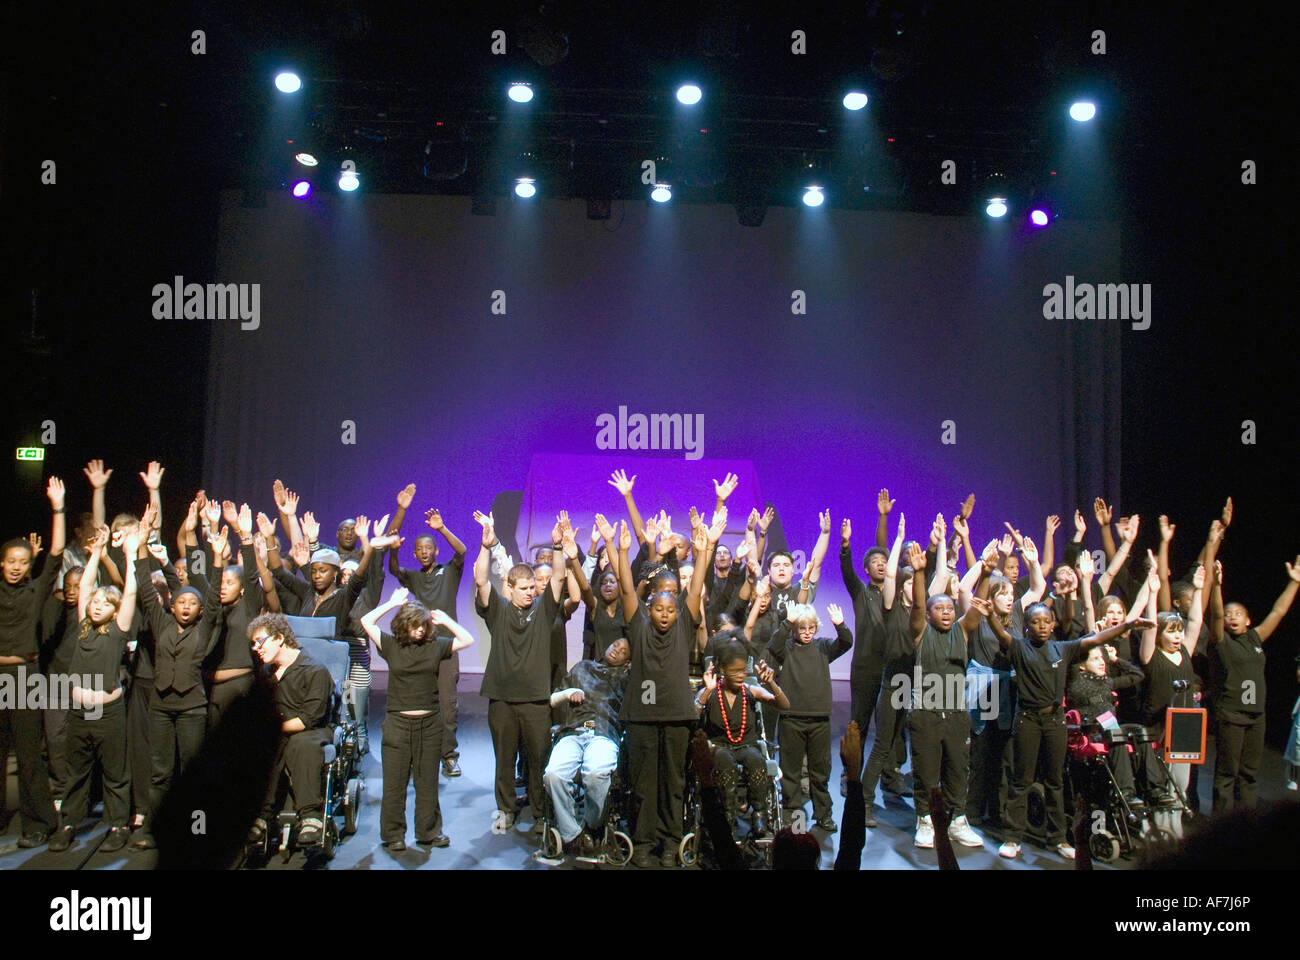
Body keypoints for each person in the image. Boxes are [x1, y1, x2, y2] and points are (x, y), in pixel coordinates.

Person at [995, 594, 1154, 861]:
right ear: (1027, 627)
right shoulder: (1020, 647)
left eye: (1047, 621)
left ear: (1053, 624)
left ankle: (1058, 838)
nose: (1042, 626)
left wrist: (1126, 627)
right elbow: (1000, 633)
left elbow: (1096, 639)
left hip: (1055, 720)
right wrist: (989, 615)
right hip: (1028, 720)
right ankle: (1013, 837)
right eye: (1036, 622)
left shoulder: (1063, 649)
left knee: (1055, 781)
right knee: (1021, 781)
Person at [616, 509, 722, 869]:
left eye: (670, 610)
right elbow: (628, 588)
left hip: (677, 716)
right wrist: (621, 551)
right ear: (650, 610)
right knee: (644, 783)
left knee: (673, 782)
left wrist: (704, 549)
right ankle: (643, 843)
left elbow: (695, 589)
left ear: (678, 615)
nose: (664, 614)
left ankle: (670, 841)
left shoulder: (684, 628)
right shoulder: (639, 628)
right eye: (658, 609)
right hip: (643, 717)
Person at [473, 509, 568, 829]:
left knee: (539, 760)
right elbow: (482, 580)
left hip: (535, 701)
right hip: (501, 698)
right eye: (524, 587)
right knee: (504, 760)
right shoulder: (498, 611)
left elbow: (557, 578)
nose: (530, 592)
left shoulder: (543, 611)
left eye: (532, 588)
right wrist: (485, 546)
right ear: (510, 587)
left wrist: (557, 548)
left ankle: (541, 813)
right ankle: (507, 809)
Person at [49, 524, 140, 853]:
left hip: (108, 713)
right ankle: (68, 823)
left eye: (106, 602)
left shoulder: (117, 629)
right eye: (96, 601)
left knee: (115, 773)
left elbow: (130, 592)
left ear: (115, 611)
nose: (98, 604)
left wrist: (130, 556)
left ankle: (118, 825)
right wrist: (97, 553)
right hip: (79, 712)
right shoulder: (84, 627)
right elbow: (86, 585)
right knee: (77, 772)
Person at [361, 588, 475, 851]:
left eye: (423, 625)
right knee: (395, 783)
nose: (421, 630)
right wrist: (391, 603)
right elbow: (366, 622)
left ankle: (428, 832)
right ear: (404, 625)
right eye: (415, 625)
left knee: (427, 782)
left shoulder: (436, 646)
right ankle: (393, 835)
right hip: (398, 725)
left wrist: (444, 620)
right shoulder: (391, 645)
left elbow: (467, 639)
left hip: (429, 725)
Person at [904, 524, 991, 852]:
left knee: (958, 768)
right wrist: (919, 575)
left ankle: (957, 820)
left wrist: (986, 572)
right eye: (938, 608)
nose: (945, 612)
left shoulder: (962, 631)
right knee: (926, 772)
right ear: (930, 614)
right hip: (925, 713)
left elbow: (979, 605)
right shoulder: (920, 632)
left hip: (956, 714)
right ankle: (925, 820)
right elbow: (916, 608)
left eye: (949, 608)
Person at [0, 477, 66, 848]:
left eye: (23, 562)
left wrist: (57, 507)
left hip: (24, 676)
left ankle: (38, 824)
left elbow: (56, 554)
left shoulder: (35, 589)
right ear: (2, 563)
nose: (16, 567)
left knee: (28, 754)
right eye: (11, 561)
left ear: (29, 566)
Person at [383, 485, 468, 777]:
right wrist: (393, 551)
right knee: (416, 701)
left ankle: (449, 754)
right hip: (418, 646)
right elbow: (394, 570)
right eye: (419, 549)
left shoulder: (450, 570)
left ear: (435, 550)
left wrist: (442, 528)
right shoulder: (414, 577)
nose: (423, 552)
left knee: (447, 704)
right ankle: (415, 755)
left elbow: (462, 550)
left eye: (428, 548)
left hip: (445, 646)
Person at [1209, 555, 1300, 812]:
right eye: (1229, 614)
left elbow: (1278, 612)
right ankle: (1222, 825)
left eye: (1238, 614)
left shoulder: (1255, 638)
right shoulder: (1221, 642)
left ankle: (1246, 820)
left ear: (1248, 620)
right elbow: (1215, 616)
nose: (1232, 617)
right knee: (1227, 774)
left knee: (1249, 774)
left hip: (1256, 717)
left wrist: (1294, 583)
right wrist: (1216, 586)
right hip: (1232, 716)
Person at [245, 613, 335, 847]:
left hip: (313, 730)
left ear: (280, 639)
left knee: (300, 744)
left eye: (260, 641)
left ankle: (311, 817)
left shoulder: (314, 670)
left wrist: (270, 728)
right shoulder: (265, 674)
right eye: (253, 643)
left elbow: (309, 718)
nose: (256, 648)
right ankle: (261, 816)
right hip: (281, 729)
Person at [766, 596, 850, 833]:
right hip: (791, 718)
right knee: (791, 771)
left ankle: (823, 814)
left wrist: (840, 624)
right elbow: (773, 645)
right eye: (801, 628)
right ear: (795, 629)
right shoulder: (788, 648)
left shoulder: (823, 647)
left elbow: (846, 643)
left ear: (816, 627)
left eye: (810, 627)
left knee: (820, 771)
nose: (806, 632)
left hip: (819, 720)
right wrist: (786, 622)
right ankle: (792, 813)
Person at [544, 637, 631, 857]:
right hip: (573, 730)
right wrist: (568, 693)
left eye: (622, 651)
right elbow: (553, 699)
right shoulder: (583, 667)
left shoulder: (627, 679)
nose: (616, 650)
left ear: (627, 660)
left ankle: (592, 825)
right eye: (614, 645)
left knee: (596, 773)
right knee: (553, 774)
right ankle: (572, 834)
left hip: (604, 732)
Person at [696, 641, 788, 838]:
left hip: (746, 745)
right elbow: (692, 715)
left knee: (756, 760)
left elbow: (784, 705)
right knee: (724, 761)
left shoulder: (750, 690)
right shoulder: (712, 691)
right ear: (722, 669)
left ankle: (759, 814)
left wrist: (771, 683)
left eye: (742, 670)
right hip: (719, 746)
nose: (740, 675)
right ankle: (728, 816)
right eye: (734, 671)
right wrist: (707, 691)